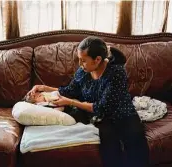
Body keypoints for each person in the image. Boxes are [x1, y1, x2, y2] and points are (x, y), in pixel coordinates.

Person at [27, 36, 149, 167]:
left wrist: (71, 102)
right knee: (109, 144)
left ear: (97, 60)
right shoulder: (83, 71)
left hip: (123, 114)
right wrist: (43, 88)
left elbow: (102, 107)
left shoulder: (117, 73)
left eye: (83, 60)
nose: (80, 64)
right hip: (102, 118)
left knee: (136, 144)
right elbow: (70, 90)